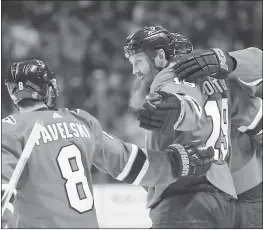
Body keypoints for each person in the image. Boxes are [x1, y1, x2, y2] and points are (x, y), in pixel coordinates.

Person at [1, 59, 215, 228]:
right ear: (48, 89)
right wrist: (176, 162)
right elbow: (128, 163)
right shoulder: (80, 120)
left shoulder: (10, 129)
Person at [124, 26, 262, 228]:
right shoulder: (222, 82)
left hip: (201, 195)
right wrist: (225, 59)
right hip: (227, 194)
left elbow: (185, 105)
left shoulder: (171, 79)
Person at [172, 47, 263, 228]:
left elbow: (258, 61)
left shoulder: (219, 78)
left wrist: (226, 60)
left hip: (236, 192)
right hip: (220, 193)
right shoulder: (221, 83)